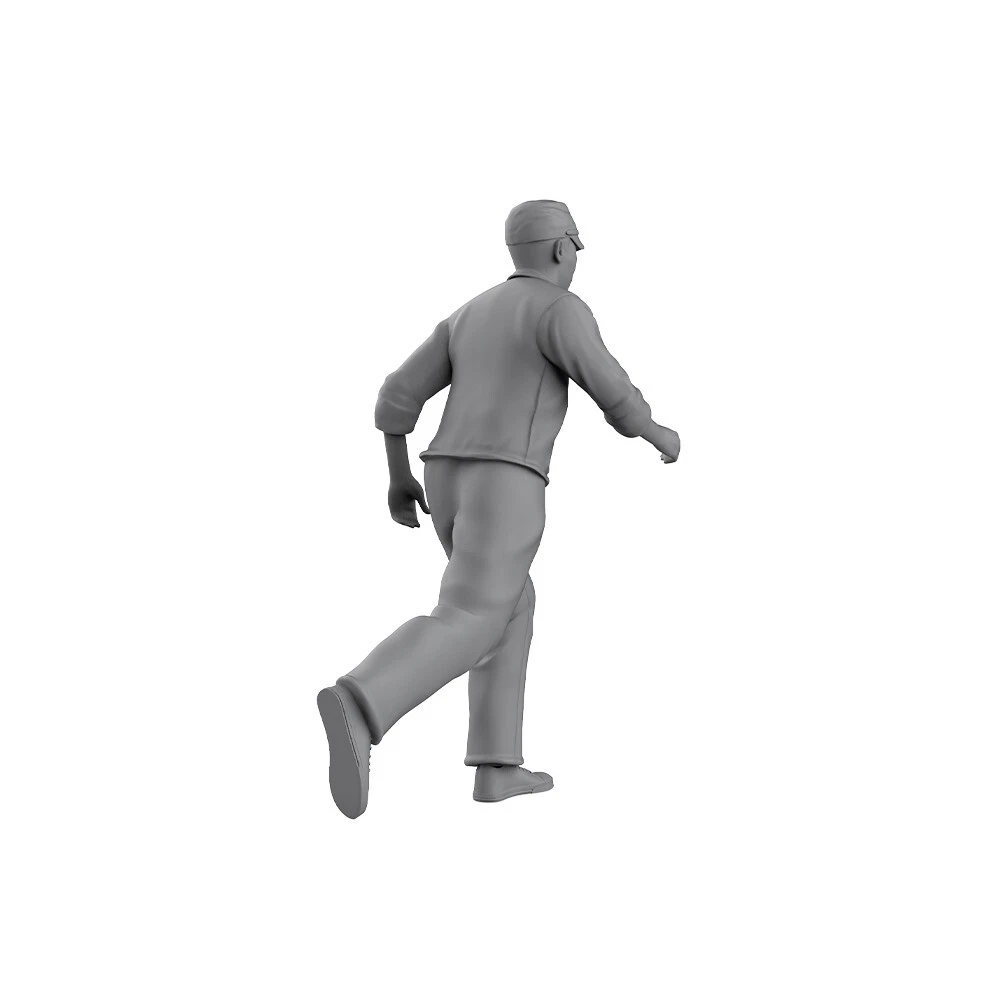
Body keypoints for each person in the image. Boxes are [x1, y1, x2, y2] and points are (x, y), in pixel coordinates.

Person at [318, 200, 681, 818]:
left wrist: (398, 474)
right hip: (505, 478)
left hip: (445, 476)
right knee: (472, 612)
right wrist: (655, 432)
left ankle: (497, 766)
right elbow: (611, 388)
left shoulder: (470, 312)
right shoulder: (560, 309)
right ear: (562, 248)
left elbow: (397, 393)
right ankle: (363, 701)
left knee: (512, 603)